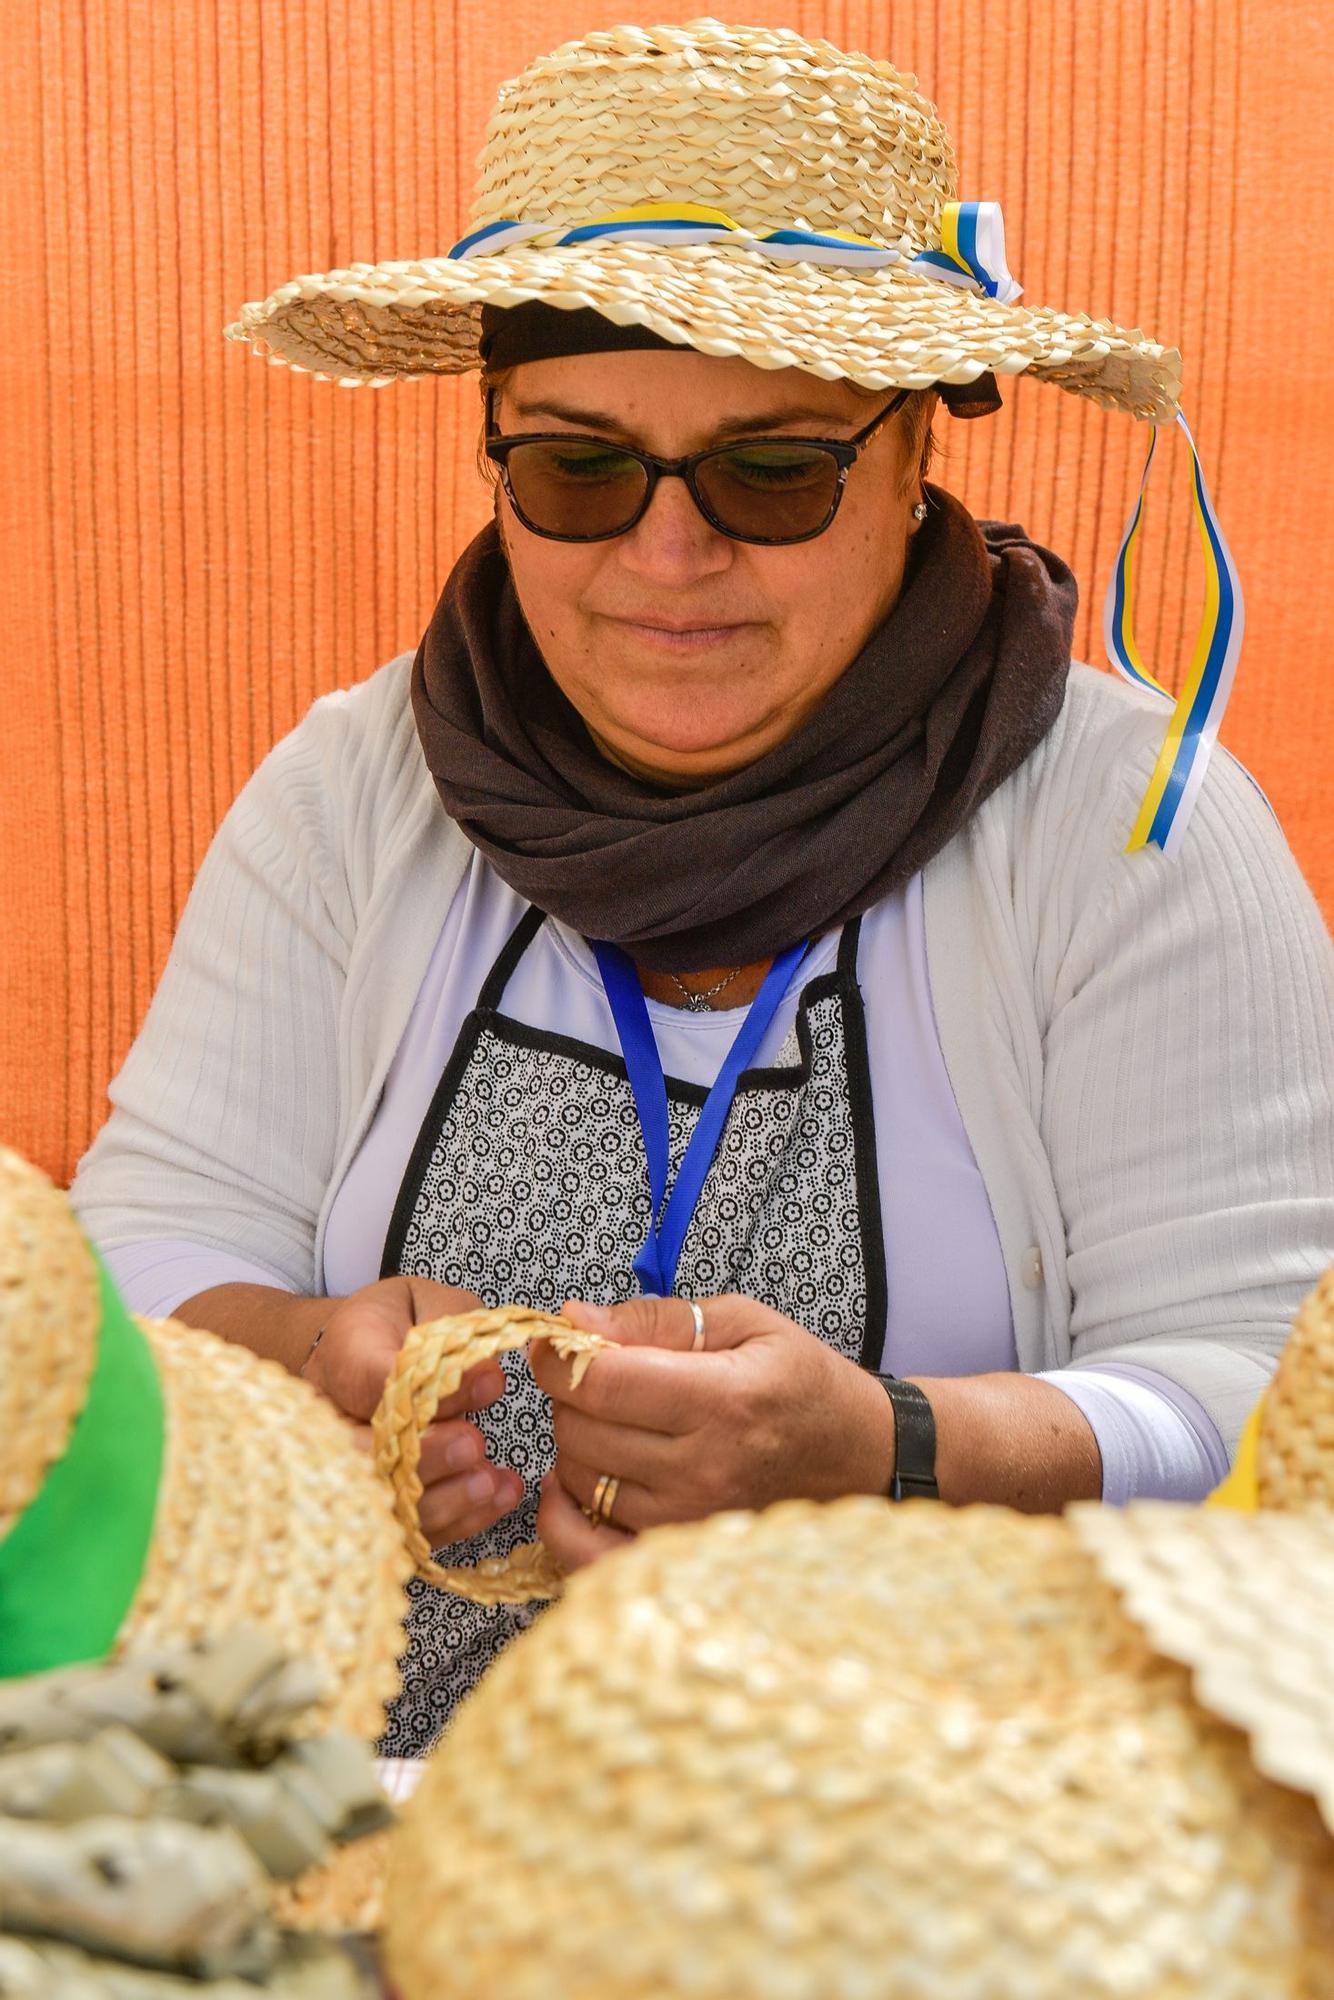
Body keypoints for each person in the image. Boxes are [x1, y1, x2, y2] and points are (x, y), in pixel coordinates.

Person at [71, 20, 1333, 1754]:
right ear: (494, 454)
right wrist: (312, 1352)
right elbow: (141, 1245)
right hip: (373, 1826)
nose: (670, 558)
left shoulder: (1129, 832)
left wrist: (890, 1451)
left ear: (909, 464)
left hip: (931, 1852)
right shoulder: (357, 784)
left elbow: (1272, 1389)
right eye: (580, 467)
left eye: (771, 469)